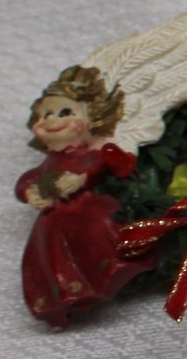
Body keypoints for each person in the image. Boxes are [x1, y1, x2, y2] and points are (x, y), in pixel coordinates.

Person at [15, 66, 157, 327]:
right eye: (45, 115)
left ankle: (116, 268)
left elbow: (98, 165)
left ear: (91, 119)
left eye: (65, 113)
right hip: (54, 219)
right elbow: (28, 179)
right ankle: (63, 298)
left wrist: (80, 179)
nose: (51, 120)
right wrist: (29, 192)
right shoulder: (49, 161)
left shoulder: (90, 152)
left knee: (102, 228)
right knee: (52, 258)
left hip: (87, 208)